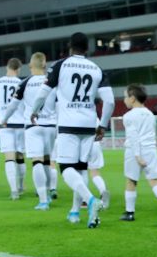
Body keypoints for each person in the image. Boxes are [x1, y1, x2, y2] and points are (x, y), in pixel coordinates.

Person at [30, 32, 114, 229]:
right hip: (89, 124)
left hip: (69, 123)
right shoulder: (96, 69)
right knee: (81, 168)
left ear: (70, 46)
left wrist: (34, 111)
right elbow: (109, 101)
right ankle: (75, 212)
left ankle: (91, 200)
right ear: (87, 48)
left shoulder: (61, 65)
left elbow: (43, 92)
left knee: (66, 168)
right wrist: (102, 124)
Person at [2, 52, 59, 209]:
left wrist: (4, 119)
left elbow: (13, 105)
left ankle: (43, 200)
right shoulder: (52, 81)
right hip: (51, 126)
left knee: (37, 161)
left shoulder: (25, 82)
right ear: (44, 65)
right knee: (47, 161)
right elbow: (59, 104)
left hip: (33, 126)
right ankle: (49, 192)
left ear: (30, 65)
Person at [120, 84, 157, 225]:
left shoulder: (128, 116)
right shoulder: (150, 114)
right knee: (154, 181)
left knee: (131, 181)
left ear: (132, 98)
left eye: (125, 97)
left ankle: (129, 213)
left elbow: (134, 137)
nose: (124, 100)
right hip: (151, 149)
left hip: (135, 151)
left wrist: (137, 156)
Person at [0, 58, 26, 198]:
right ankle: (21, 186)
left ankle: (14, 191)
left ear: (7, 67)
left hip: (4, 124)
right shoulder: (22, 83)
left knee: (9, 158)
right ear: (19, 69)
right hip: (20, 123)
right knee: (20, 156)